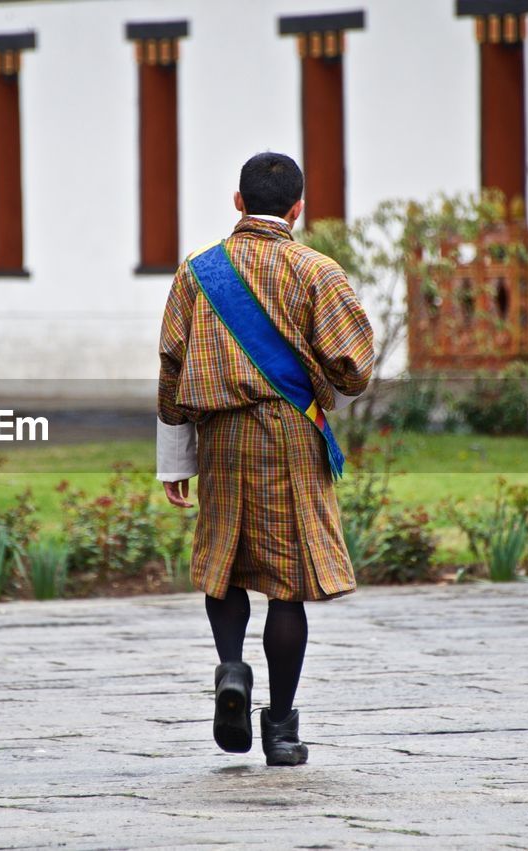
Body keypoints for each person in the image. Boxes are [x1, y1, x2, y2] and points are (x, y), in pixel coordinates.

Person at [156, 152, 375, 766]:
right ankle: (279, 728)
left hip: (219, 436)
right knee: (288, 586)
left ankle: (231, 669)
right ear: (298, 209)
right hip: (289, 438)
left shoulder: (197, 273)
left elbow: (172, 366)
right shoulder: (316, 271)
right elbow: (353, 368)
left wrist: (176, 461)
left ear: (237, 202)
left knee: (223, 560)